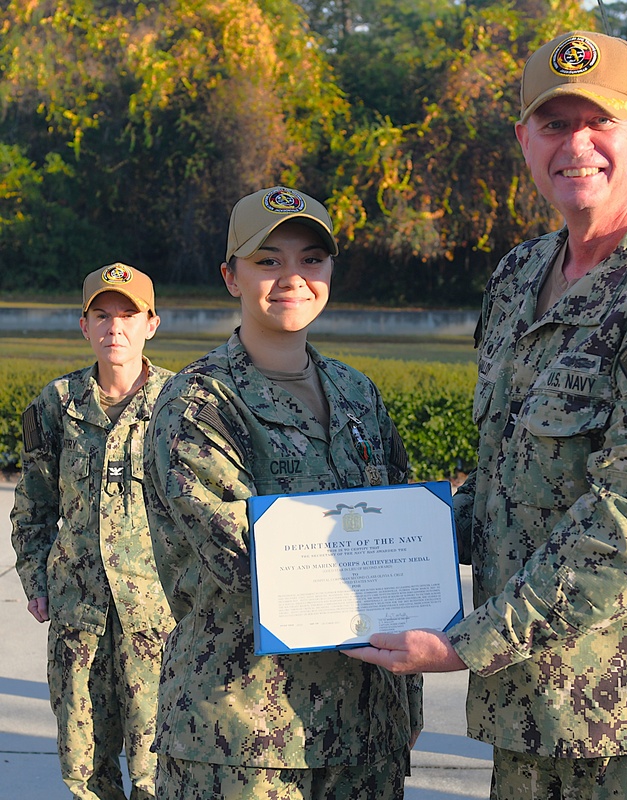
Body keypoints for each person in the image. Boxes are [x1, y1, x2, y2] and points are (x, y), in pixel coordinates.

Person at [347, 31, 627, 798]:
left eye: (598, 120)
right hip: (534, 712)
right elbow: (510, 485)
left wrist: (466, 644)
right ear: (524, 140)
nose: (577, 145)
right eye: (553, 124)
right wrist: (353, 549)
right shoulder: (517, 279)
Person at [142, 186, 421, 800]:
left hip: (367, 737)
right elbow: (247, 561)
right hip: (245, 741)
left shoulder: (357, 395)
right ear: (229, 276)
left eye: (311, 259)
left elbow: (409, 525)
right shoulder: (198, 403)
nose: (292, 277)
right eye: (267, 260)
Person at [10, 264, 173, 800]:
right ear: (84, 327)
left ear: (152, 323)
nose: (115, 327)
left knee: (159, 771)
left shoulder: (182, 407)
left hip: (159, 620)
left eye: (129, 315)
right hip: (79, 622)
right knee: (85, 773)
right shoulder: (55, 406)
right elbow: (32, 508)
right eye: (102, 315)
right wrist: (37, 581)